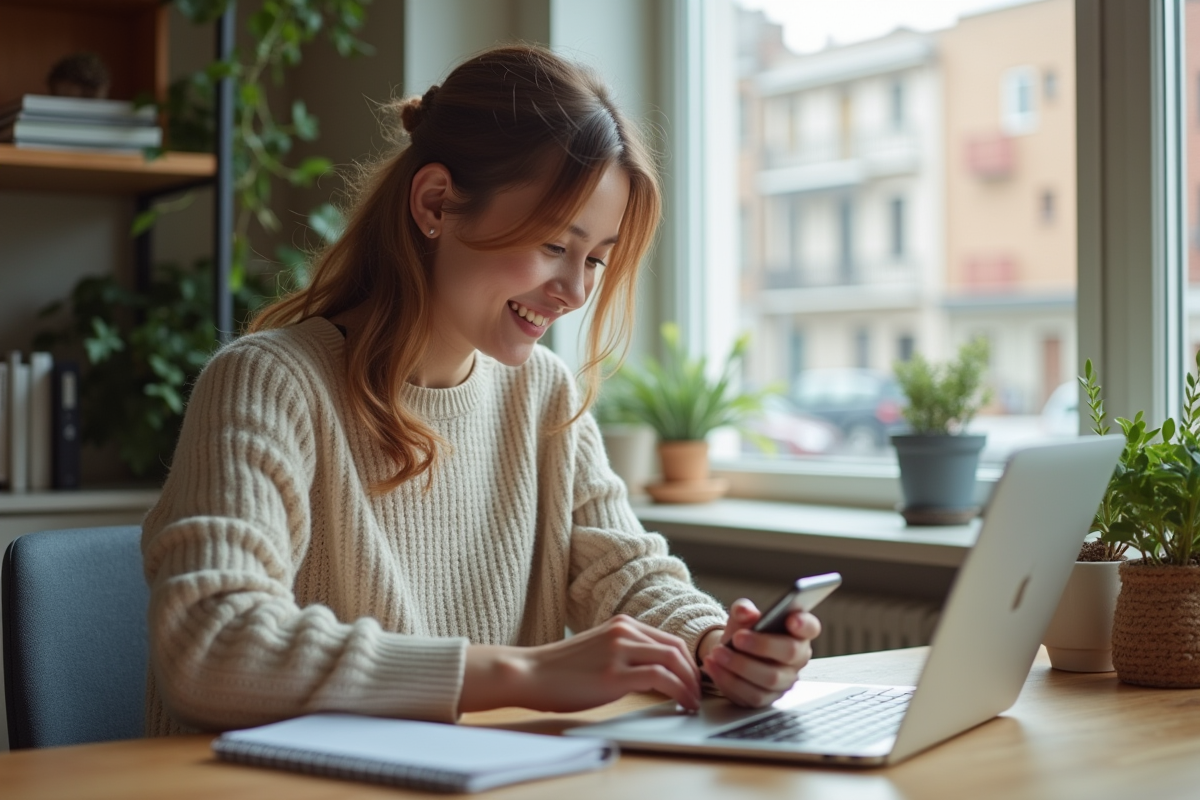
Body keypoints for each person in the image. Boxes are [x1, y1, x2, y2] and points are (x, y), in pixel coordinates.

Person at [141, 44, 821, 736]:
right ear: (437, 202)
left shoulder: (542, 396)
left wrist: (715, 646)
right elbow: (211, 643)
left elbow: (624, 575)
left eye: (595, 259)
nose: (576, 291)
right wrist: (522, 674)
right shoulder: (268, 382)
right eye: (556, 245)